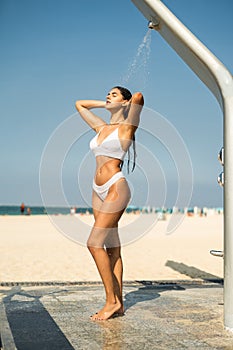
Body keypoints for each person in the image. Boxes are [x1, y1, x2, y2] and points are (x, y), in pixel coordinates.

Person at [75, 86, 144, 321]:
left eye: (113, 94)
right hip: (97, 190)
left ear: (124, 102)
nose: (108, 96)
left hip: (115, 186)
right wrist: (107, 104)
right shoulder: (101, 128)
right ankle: (120, 303)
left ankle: (111, 301)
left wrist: (127, 104)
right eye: (107, 93)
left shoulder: (127, 127)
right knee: (112, 248)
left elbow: (138, 98)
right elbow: (79, 104)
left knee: (94, 244)